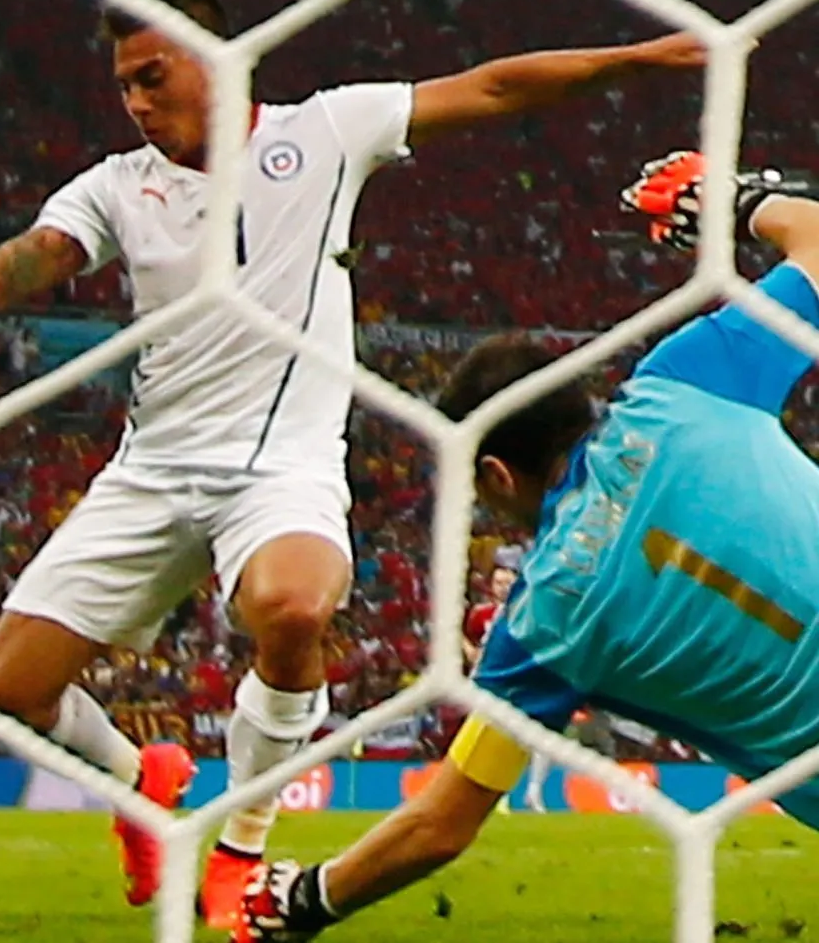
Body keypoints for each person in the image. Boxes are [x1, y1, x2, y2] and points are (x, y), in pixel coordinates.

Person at [0, 0, 703, 926]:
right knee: (8, 687)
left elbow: (491, 86)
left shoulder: (322, 133)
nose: (138, 102)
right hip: (153, 468)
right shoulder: (115, 188)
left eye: (154, 75)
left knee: (296, 606)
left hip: (281, 470)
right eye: (125, 86)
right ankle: (141, 780)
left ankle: (241, 846)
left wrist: (639, 59)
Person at [238, 149, 819, 939]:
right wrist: (737, 199)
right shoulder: (682, 382)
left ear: (495, 471)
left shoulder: (544, 621)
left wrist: (303, 898)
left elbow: (442, 823)